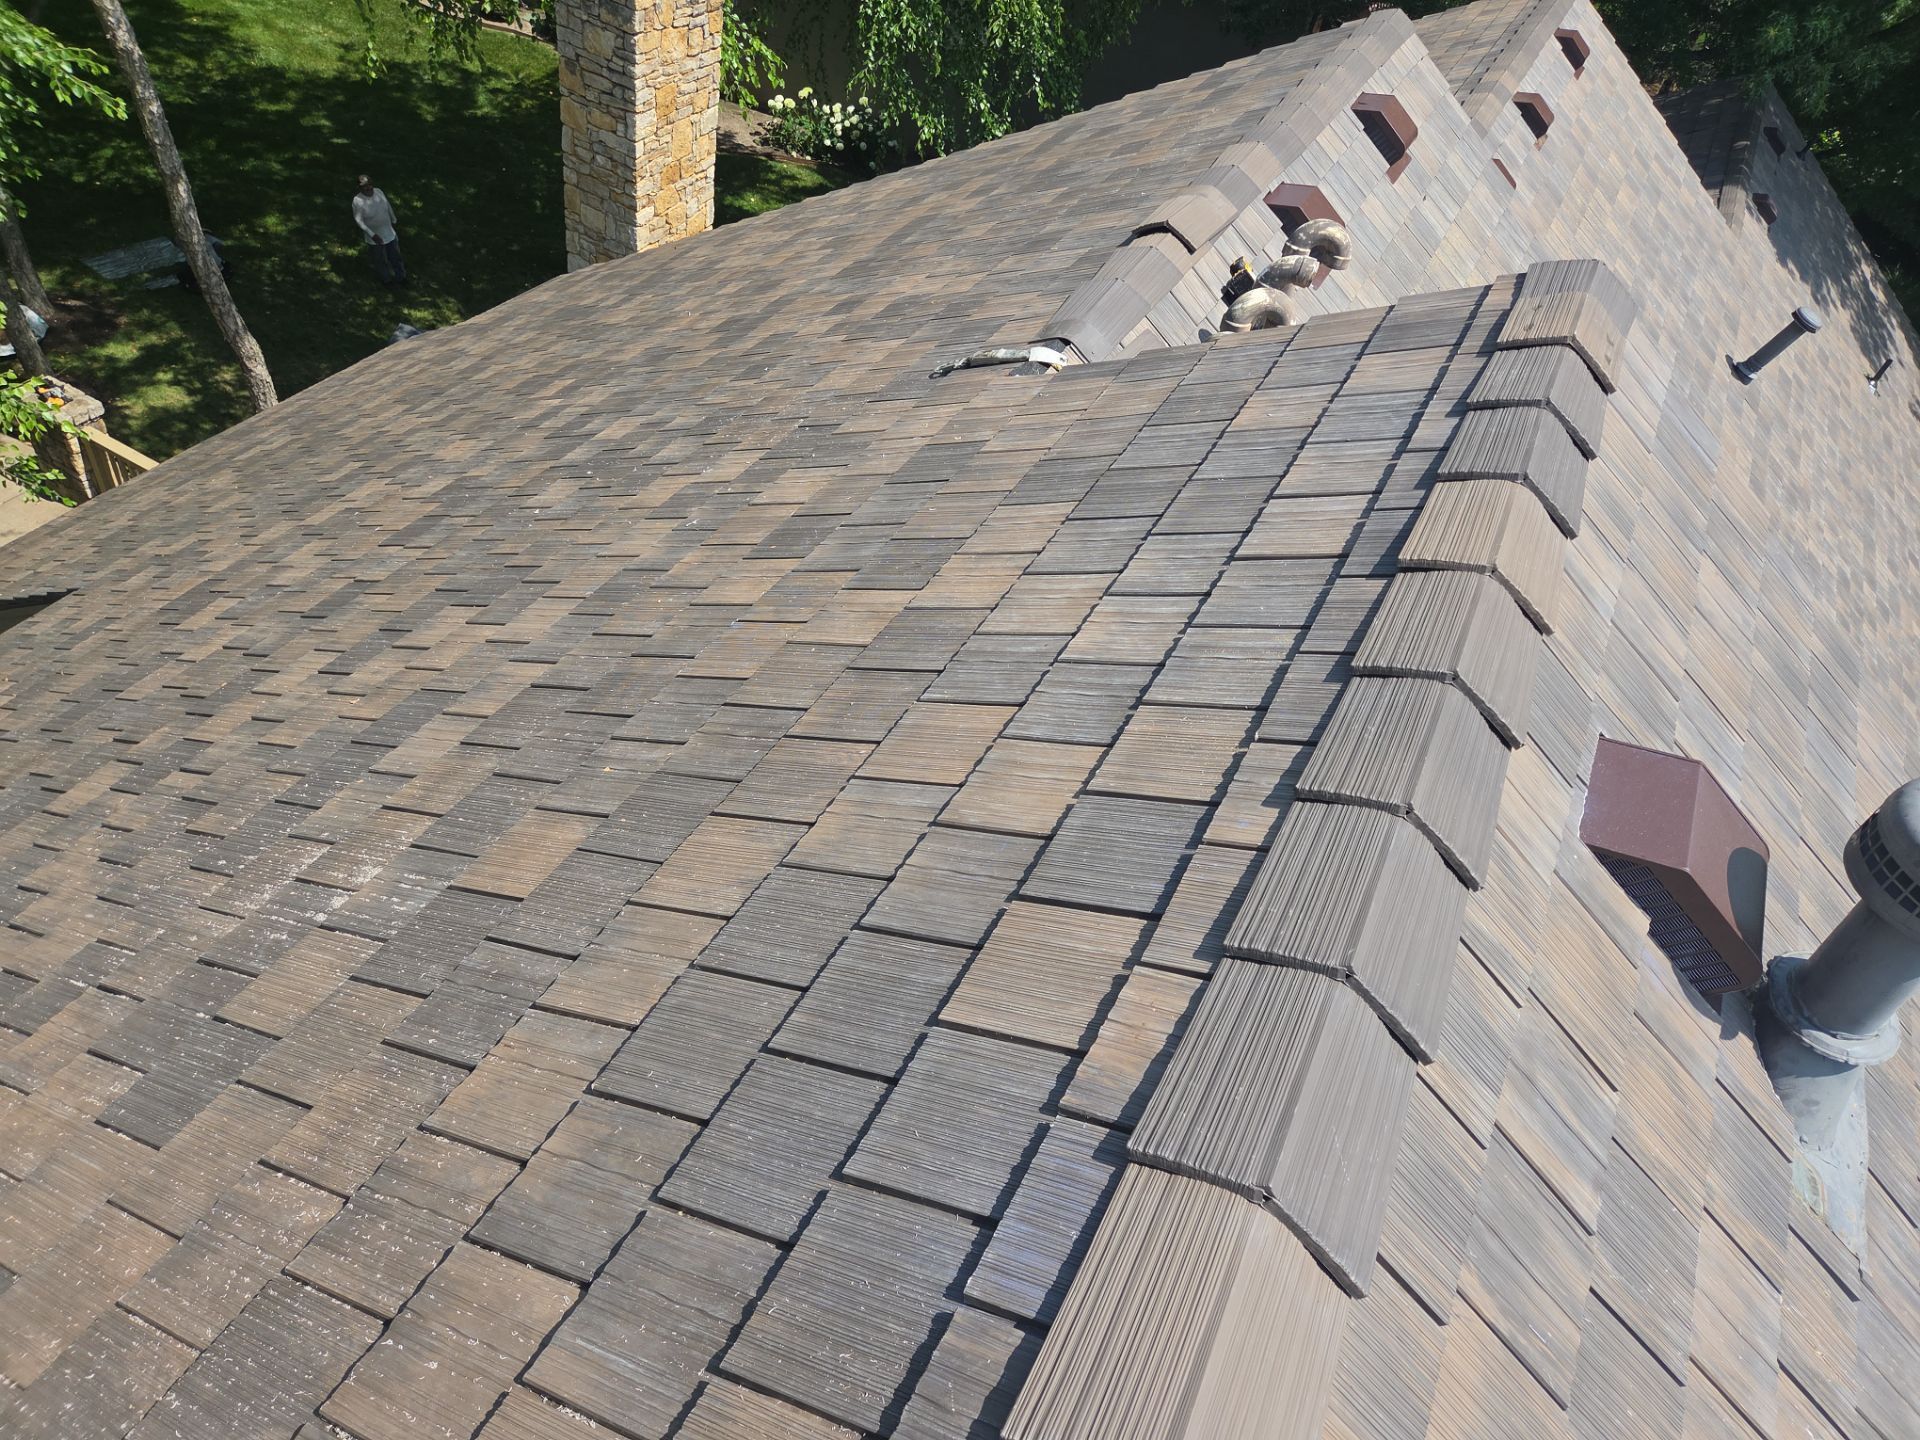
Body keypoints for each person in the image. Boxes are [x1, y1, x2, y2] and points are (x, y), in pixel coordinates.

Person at [352, 176, 407, 286]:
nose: (368, 188)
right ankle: (386, 281)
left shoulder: (379, 192)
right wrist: (372, 235)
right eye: (365, 186)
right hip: (375, 238)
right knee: (380, 260)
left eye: (370, 185)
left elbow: (387, 205)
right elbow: (359, 220)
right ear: (359, 188)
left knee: (395, 257)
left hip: (389, 232)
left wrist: (393, 219)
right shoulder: (357, 201)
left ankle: (401, 278)